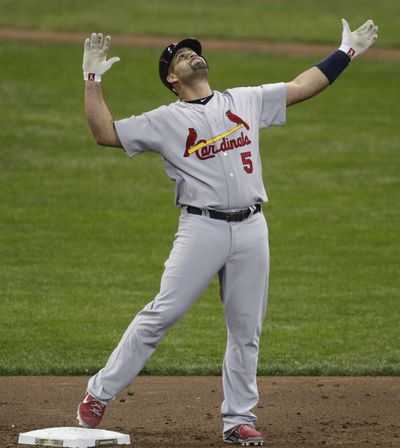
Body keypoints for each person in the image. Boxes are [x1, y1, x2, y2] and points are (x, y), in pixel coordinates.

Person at [77, 19, 378, 446]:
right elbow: (105, 133)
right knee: (163, 313)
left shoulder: (246, 100)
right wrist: (92, 80)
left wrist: (346, 51)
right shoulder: (165, 120)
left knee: (245, 329)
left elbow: (303, 85)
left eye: (191, 51)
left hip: (253, 227)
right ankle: (98, 392)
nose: (190, 56)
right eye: (181, 56)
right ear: (172, 78)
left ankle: (238, 420)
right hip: (201, 228)